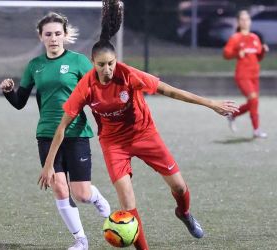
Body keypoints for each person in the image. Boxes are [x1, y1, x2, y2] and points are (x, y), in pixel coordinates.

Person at [38, 1, 239, 249]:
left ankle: (184, 213)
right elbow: (61, 127)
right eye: (101, 65)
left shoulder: (128, 74)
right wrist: (48, 166)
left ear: (116, 60)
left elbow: (171, 91)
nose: (108, 69)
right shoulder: (86, 86)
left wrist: (211, 103)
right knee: (127, 202)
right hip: (114, 145)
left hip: (145, 135)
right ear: (93, 63)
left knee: (179, 186)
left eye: (111, 63)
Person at [0, 12, 110, 250]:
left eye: (58, 33)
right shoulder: (35, 66)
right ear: (41, 37)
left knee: (81, 194)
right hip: (47, 133)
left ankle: (95, 196)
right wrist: (9, 91)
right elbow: (20, 102)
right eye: (48, 34)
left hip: (77, 133)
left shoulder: (80, 62)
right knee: (59, 186)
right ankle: (81, 240)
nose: (53, 38)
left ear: (65, 35)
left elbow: (97, 93)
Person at [223, 10, 269, 138]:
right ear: (238, 22)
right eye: (242, 19)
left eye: (247, 19)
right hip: (242, 75)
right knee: (253, 99)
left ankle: (233, 115)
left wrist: (263, 51)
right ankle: (256, 130)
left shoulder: (254, 37)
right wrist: (237, 54)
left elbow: (258, 57)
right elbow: (226, 54)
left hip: (254, 75)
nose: (245, 21)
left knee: (253, 103)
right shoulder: (235, 38)